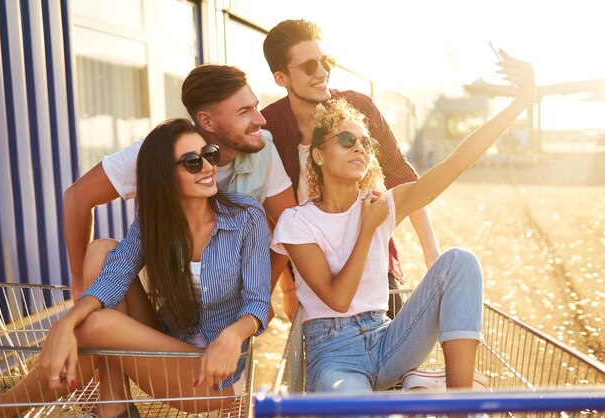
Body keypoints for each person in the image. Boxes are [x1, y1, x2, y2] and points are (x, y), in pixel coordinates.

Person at [271, 52, 535, 394]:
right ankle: (418, 388)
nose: (360, 149)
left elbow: (454, 165)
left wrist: (519, 104)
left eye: (367, 143)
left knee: (460, 262)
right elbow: (338, 298)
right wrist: (367, 229)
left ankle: (459, 404)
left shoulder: (382, 204)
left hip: (388, 339)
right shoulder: (297, 221)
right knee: (360, 411)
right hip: (333, 354)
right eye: (347, 140)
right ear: (318, 154)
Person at [0, 119, 271, 418]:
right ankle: (114, 399)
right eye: (193, 162)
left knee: (93, 327)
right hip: (164, 350)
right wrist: (64, 325)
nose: (208, 167)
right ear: (164, 176)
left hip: (212, 377)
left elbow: (258, 301)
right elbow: (115, 275)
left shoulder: (246, 216)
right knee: (101, 250)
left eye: (209, 155)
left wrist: (233, 336)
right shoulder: (154, 221)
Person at [64, 64, 295, 303]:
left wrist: (266, 291)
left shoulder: (262, 148)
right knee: (99, 253)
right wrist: (78, 281)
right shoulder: (160, 153)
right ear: (207, 121)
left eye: (255, 106)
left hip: (226, 303)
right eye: (244, 111)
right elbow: (77, 197)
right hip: (166, 294)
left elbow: (290, 226)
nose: (261, 119)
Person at [262, 19, 440, 319]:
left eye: (325, 61)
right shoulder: (270, 129)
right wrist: (288, 288)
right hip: (312, 274)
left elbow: (401, 176)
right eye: (308, 67)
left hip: (372, 260)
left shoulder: (358, 108)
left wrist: (431, 253)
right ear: (281, 78)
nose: (322, 73)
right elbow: (275, 214)